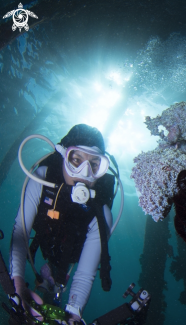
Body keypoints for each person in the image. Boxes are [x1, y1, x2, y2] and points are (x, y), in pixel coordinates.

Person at [10, 124, 114, 324]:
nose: (84, 173)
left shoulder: (102, 214)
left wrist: (73, 315)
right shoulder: (41, 178)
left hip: (71, 254)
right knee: (50, 272)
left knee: (58, 278)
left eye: (94, 164)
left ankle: (53, 282)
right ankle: (48, 279)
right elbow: (20, 232)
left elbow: (85, 273)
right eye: (76, 160)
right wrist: (18, 287)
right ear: (63, 155)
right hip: (46, 239)